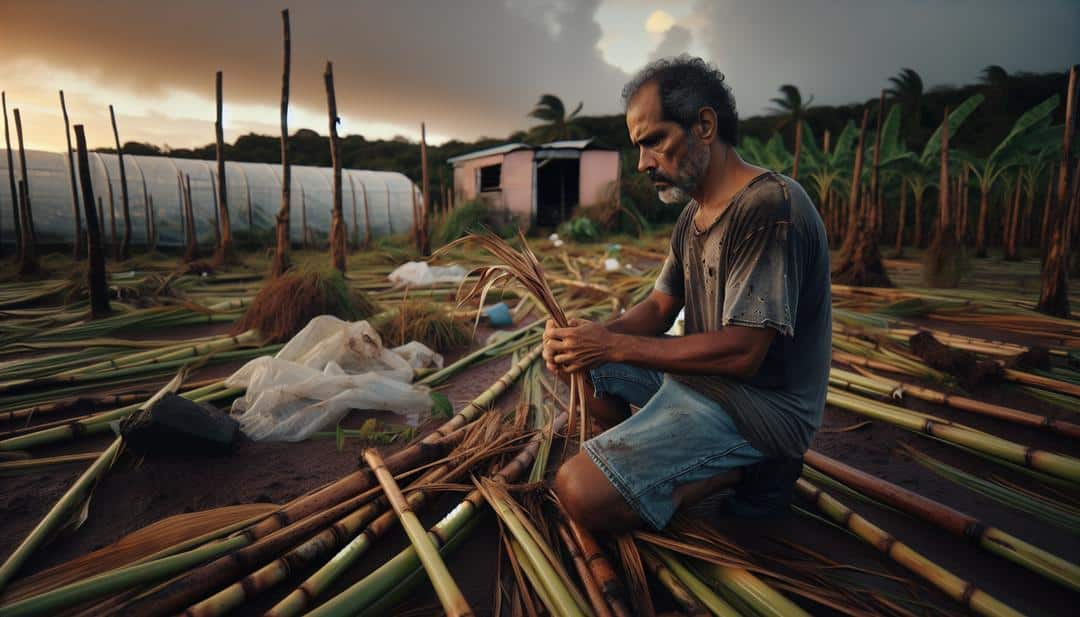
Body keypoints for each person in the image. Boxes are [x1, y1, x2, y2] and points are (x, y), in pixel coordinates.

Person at [544, 55, 832, 532]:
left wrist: (613, 345)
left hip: (763, 410)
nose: (643, 163)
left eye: (654, 141)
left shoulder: (767, 207)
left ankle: (750, 470)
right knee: (581, 362)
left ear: (704, 125)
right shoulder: (692, 218)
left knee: (577, 492)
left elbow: (743, 353)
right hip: (704, 381)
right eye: (639, 147)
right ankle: (639, 466)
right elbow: (660, 307)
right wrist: (587, 338)